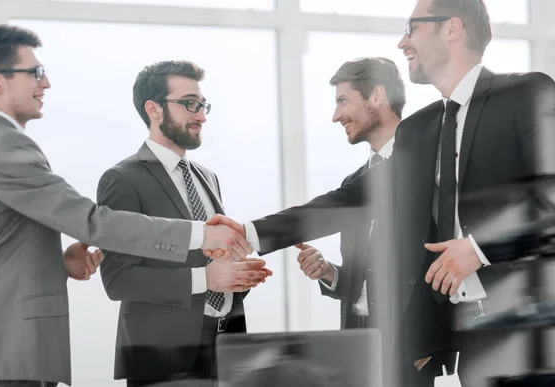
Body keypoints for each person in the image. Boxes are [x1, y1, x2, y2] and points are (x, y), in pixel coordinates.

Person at [208, 0, 555, 385]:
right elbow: (354, 199)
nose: (402, 42)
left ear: (452, 29)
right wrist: (249, 233)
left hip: (533, 326)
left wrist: (478, 248)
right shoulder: (419, 130)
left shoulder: (527, 92)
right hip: (470, 336)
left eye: (413, 28)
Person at [0, 25, 252, 387]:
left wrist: (59, 262)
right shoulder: (4, 148)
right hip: (4, 347)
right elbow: (92, 222)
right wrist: (200, 235)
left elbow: (1, 246)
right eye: (34, 72)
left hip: (8, 348)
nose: (45, 83)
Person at [97, 60, 272, 386]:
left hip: (227, 347)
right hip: (163, 357)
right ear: (154, 109)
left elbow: (214, 260)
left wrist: (237, 276)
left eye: (203, 105)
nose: (201, 115)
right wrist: (204, 278)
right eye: (190, 103)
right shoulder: (122, 179)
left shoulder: (208, 177)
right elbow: (118, 280)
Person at [295, 57, 404, 331]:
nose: (335, 116)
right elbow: (364, 282)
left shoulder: (427, 169)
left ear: (377, 95)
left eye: (343, 100)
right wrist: (329, 273)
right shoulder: (353, 182)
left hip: (408, 348)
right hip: (357, 342)